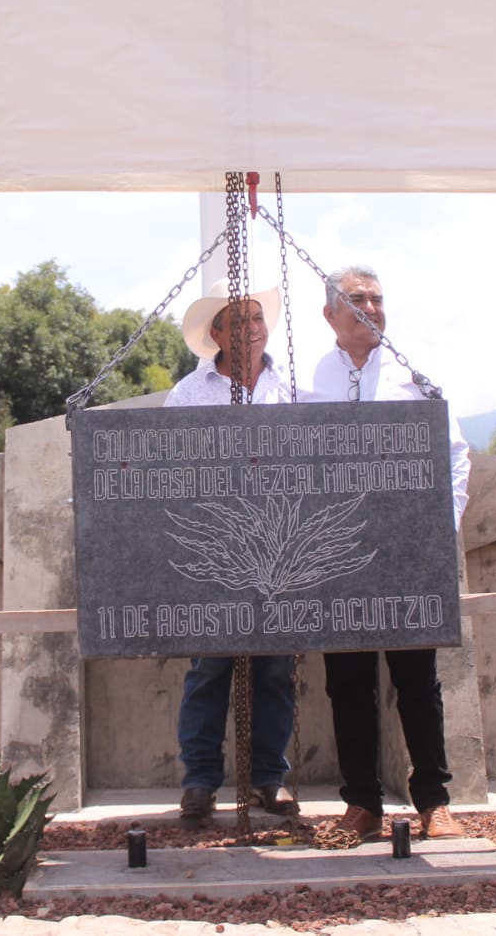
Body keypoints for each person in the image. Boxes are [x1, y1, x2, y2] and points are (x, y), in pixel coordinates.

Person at [307, 265, 471, 845]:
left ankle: (434, 801)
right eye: (358, 300)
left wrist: (437, 529)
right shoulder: (308, 382)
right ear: (330, 314)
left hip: (408, 555)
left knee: (417, 680)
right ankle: (362, 805)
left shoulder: (412, 377)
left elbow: (454, 457)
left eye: (378, 300)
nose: (372, 309)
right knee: (346, 683)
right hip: (336, 557)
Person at [164, 279, 300, 823]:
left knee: (273, 669)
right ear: (216, 334)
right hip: (212, 545)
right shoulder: (188, 394)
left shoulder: (289, 389)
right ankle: (200, 780)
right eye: (238, 322)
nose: (252, 330)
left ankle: (269, 778)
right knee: (209, 666)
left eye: (258, 319)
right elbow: (168, 470)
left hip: (275, 543)